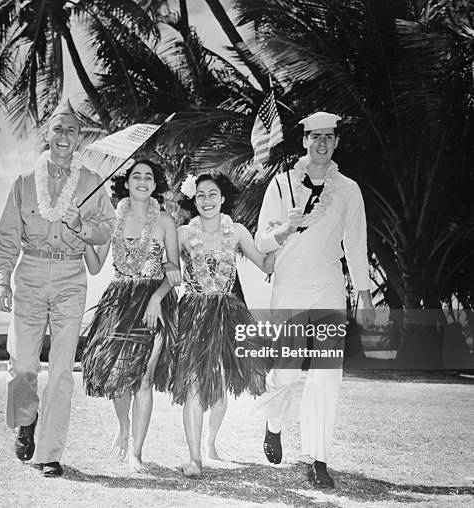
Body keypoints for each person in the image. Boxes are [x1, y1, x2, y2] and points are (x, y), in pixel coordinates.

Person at [0, 100, 116, 478]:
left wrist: (81, 225)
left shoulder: (92, 182)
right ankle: (26, 420)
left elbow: (106, 228)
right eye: (58, 129)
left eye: (72, 131)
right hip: (29, 275)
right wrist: (2, 279)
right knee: (22, 367)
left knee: (62, 371)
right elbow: (7, 236)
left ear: (79, 139)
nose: (64, 137)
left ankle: (49, 453)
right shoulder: (25, 182)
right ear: (47, 134)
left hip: (69, 278)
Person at [254, 111, 376, 488]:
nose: (321, 143)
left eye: (328, 137)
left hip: (327, 288)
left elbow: (356, 246)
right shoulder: (280, 184)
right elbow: (260, 242)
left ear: (337, 141)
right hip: (289, 287)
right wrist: (285, 229)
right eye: (314, 137)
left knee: (326, 376)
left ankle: (317, 458)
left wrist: (365, 295)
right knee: (286, 373)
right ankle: (274, 426)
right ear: (304, 141)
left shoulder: (349, 189)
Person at [172, 173, 275, 478]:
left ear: (223, 198)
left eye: (212, 194)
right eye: (200, 195)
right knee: (192, 382)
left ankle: (209, 441)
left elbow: (266, 264)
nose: (206, 201)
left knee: (217, 386)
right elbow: (165, 267)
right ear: (193, 199)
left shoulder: (238, 231)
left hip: (226, 313)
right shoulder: (181, 234)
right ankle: (194, 459)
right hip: (192, 312)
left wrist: (282, 237)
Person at [81, 159, 181, 472]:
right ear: (127, 183)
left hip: (154, 301)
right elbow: (96, 266)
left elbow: (175, 271)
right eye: (136, 175)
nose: (142, 181)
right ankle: (123, 426)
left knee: (145, 378)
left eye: (148, 176)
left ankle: (136, 451)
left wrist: (156, 298)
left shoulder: (165, 221)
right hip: (119, 302)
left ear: (155, 184)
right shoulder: (112, 218)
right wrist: (80, 233)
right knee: (118, 375)